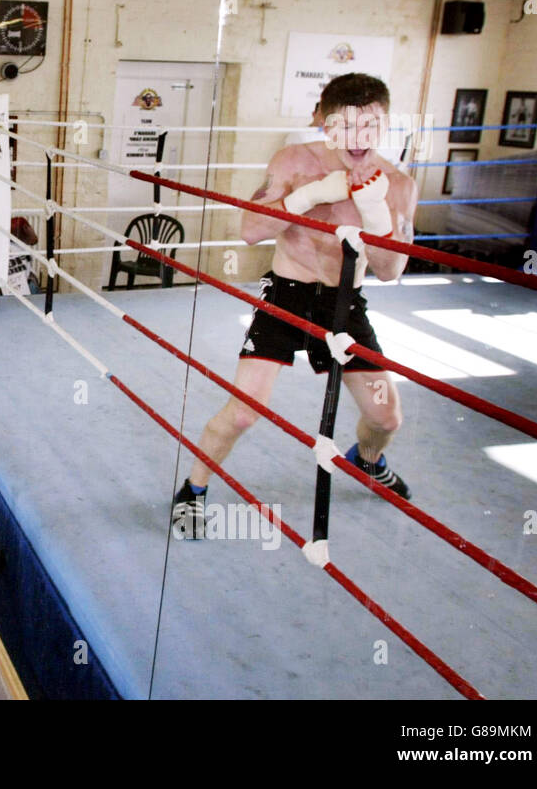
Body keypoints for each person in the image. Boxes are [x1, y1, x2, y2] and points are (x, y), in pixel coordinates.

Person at [171, 73, 419, 539]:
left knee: (386, 416)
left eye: (370, 126)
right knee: (244, 412)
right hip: (286, 295)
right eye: (345, 125)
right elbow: (250, 231)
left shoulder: (400, 185)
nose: (358, 139)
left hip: (345, 305)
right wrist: (306, 197)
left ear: (385, 125)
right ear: (326, 124)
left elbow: (389, 271)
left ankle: (366, 460)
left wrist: (375, 213)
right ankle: (193, 489)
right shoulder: (294, 162)